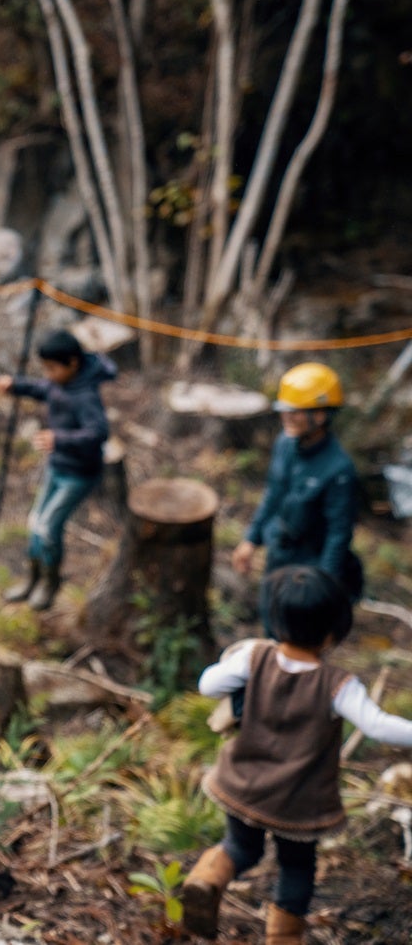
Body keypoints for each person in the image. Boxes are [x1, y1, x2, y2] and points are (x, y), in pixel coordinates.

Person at [182, 566, 412, 943]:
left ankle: (206, 879)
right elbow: (378, 726)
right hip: (298, 800)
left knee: (241, 847)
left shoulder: (255, 658)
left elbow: (209, 684)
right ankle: (282, 939)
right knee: (296, 868)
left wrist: (237, 665)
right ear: (332, 632)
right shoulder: (338, 685)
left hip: (244, 782)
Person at [232, 362, 361, 634]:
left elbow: (338, 535)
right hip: (279, 550)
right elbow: (273, 494)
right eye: (284, 410)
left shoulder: (339, 470)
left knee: (299, 632)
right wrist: (251, 539)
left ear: (321, 415)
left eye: (295, 411)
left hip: (310, 563)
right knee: (271, 621)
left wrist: (323, 585)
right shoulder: (285, 444)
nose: (286, 417)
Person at [0, 329, 117, 610]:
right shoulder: (60, 383)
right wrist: (15, 385)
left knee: (48, 527)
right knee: (35, 522)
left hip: (78, 474)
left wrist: (59, 439)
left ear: (72, 363)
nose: (48, 374)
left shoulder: (85, 395)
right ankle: (33, 577)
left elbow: (98, 432)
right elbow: (42, 389)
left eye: (52, 368)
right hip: (57, 466)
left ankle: (51, 581)